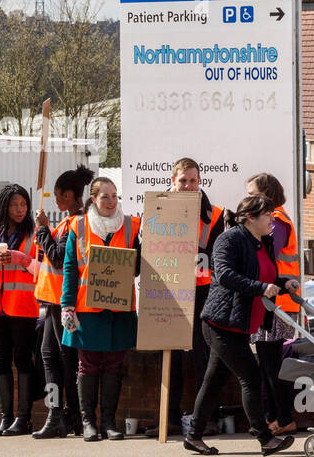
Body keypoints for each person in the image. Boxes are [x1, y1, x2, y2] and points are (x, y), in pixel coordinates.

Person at [184, 195, 299, 457]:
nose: (272, 219)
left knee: (214, 381)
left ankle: (193, 436)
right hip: (220, 323)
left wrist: (282, 284)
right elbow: (225, 275)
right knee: (251, 376)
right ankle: (265, 438)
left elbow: (262, 275)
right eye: (267, 215)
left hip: (240, 324)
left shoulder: (263, 242)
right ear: (250, 218)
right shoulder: (230, 239)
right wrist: (261, 288)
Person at [60, 177, 140, 442]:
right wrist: (67, 305)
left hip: (119, 310)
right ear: (93, 199)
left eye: (115, 196)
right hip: (88, 309)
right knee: (88, 366)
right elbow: (70, 268)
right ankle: (88, 423)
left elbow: (138, 266)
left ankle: (109, 422)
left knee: (115, 366)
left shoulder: (130, 225)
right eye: (105, 196)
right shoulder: (79, 226)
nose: (111, 202)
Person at [156, 157, 226, 438]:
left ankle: (204, 418)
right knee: (169, 355)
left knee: (203, 356)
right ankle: (169, 418)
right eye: (183, 180)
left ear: (200, 182)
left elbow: (219, 258)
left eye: (193, 180)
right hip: (169, 291)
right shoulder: (158, 207)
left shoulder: (216, 214)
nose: (188, 185)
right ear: (173, 181)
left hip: (202, 293)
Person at [31, 165, 94, 438]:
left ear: (70, 195)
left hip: (63, 301)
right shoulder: (67, 222)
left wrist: (43, 230)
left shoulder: (75, 223)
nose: (55, 200)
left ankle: (68, 414)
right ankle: (57, 413)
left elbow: (57, 256)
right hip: (52, 299)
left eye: (58, 195)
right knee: (50, 356)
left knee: (65, 358)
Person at [0, 183, 40, 436]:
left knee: (23, 360)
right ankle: (6, 418)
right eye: (15, 205)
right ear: (4, 206)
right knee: (0, 361)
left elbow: (43, 271)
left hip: (24, 307)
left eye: (24, 204)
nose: (20, 209)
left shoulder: (36, 232)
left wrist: (23, 260)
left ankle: (24, 419)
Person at [245, 172, 299, 438]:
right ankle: (274, 416)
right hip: (271, 302)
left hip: (278, 304)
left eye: (253, 194)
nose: (249, 199)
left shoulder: (276, 220)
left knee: (273, 365)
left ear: (267, 194)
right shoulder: (277, 218)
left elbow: (266, 256)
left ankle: (282, 418)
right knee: (268, 364)